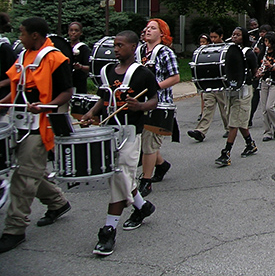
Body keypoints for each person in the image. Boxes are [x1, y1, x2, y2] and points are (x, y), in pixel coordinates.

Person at [79, 30, 159, 256]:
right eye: (114, 45)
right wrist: (91, 113)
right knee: (122, 175)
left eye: (121, 45)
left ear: (133, 47)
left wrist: (140, 106)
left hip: (131, 132)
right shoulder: (105, 71)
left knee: (118, 175)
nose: (116, 49)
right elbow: (103, 99)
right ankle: (142, 206)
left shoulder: (143, 73)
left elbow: (154, 100)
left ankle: (108, 230)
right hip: (109, 130)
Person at [0, 17, 73, 254]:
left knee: (23, 178)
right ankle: (58, 203)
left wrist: (46, 106)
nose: (18, 36)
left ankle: (14, 229)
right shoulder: (23, 56)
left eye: (21, 33)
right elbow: (18, 90)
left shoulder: (55, 58)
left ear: (34, 35)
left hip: (41, 125)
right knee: (29, 171)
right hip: (19, 122)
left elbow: (67, 92)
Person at [136, 18, 180, 197]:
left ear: (162, 33)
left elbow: (175, 77)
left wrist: (156, 86)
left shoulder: (164, 53)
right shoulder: (138, 51)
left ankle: (146, 181)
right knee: (145, 142)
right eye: (146, 28)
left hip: (159, 105)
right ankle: (161, 165)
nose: (148, 31)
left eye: (153, 28)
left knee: (148, 143)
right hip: (140, 103)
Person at [215, 27, 258, 166]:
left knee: (234, 122)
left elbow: (254, 71)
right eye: (233, 34)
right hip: (231, 89)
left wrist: (257, 76)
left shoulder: (249, 53)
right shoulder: (229, 52)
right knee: (238, 119)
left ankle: (226, 153)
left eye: (238, 35)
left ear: (244, 37)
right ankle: (250, 144)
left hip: (244, 90)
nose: (234, 37)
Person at [188, 26, 230, 143]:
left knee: (224, 108)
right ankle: (200, 131)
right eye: (211, 37)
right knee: (208, 107)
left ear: (221, 36)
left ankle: (229, 128)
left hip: (222, 83)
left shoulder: (226, 48)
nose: (213, 40)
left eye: (215, 37)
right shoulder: (207, 49)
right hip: (209, 82)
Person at [257, 31, 275, 142]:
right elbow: (258, 67)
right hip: (264, 81)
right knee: (264, 109)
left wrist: (271, 67)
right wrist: (259, 72)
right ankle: (267, 132)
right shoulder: (263, 53)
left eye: (267, 41)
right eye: (265, 42)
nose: (266, 44)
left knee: (269, 107)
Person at [67, 22, 91, 94]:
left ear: (80, 33)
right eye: (71, 30)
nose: (73, 32)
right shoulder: (65, 47)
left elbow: (90, 68)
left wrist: (80, 67)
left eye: (76, 30)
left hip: (79, 83)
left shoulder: (84, 48)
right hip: (67, 83)